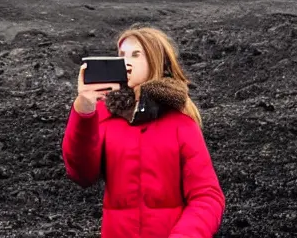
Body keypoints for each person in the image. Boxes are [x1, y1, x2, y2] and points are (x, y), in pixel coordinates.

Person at [62, 26, 225, 238]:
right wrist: (84, 108)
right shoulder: (104, 118)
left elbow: (207, 195)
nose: (126, 61)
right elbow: (82, 174)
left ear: (156, 60)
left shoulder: (181, 124)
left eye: (135, 54)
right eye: (121, 55)